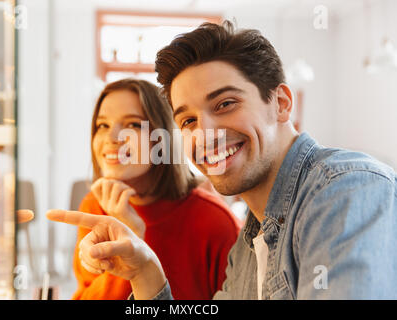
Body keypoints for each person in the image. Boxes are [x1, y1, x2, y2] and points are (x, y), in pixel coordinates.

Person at [47, 22, 397, 299]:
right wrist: (143, 269)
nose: (206, 134)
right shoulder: (247, 245)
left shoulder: (345, 190)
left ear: (282, 103)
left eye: (225, 104)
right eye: (188, 121)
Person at [69, 79, 241, 300]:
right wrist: (127, 248)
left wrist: (135, 249)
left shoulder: (215, 223)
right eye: (103, 125)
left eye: (133, 125)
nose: (111, 138)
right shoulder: (94, 206)